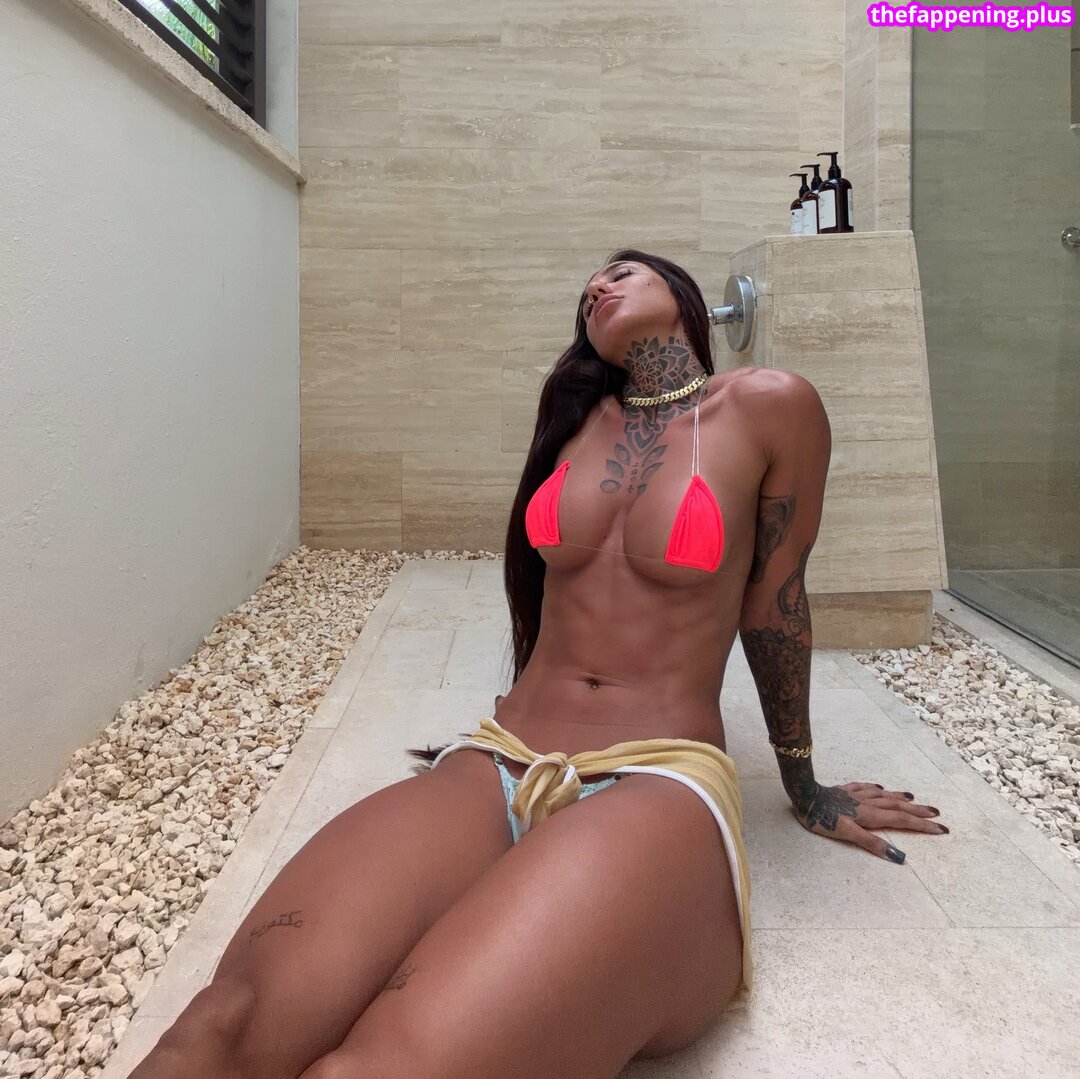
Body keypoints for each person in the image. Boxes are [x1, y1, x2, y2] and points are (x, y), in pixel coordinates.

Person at [131, 250, 947, 1079]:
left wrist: (804, 784)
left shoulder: (770, 405)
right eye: (590, 286)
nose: (598, 286)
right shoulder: (577, 420)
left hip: (656, 773)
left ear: (684, 295)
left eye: (623, 271)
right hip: (498, 757)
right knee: (216, 1030)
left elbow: (777, 605)